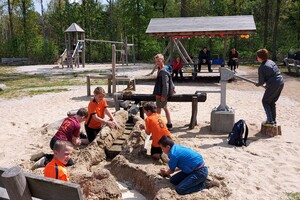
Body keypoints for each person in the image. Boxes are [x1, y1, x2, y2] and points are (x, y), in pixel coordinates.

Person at [255, 48, 284, 125]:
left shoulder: (262, 67)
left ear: (260, 57)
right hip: (280, 82)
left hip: (273, 84)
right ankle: (273, 120)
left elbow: (261, 82)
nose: (257, 58)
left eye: (257, 56)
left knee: (265, 101)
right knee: (271, 102)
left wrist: (257, 84)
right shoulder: (271, 61)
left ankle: (270, 121)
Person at [153, 53, 175, 130]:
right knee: (164, 107)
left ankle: (159, 125)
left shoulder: (163, 71)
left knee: (159, 108)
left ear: (162, 61)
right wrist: (173, 87)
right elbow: (170, 81)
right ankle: (169, 123)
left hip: (161, 93)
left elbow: (166, 84)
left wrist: (163, 95)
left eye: (159, 61)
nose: (157, 63)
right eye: (156, 61)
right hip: (160, 93)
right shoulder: (162, 69)